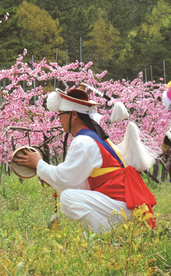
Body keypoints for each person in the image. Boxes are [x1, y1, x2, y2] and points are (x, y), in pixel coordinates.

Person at [15, 86, 157, 233]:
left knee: (68, 198)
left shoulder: (84, 142)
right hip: (127, 205)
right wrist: (49, 176)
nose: (59, 119)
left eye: (61, 114)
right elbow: (78, 181)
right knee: (70, 194)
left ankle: (108, 236)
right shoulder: (96, 138)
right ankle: (115, 233)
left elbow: (65, 179)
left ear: (74, 115)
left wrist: (38, 163)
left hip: (122, 206)